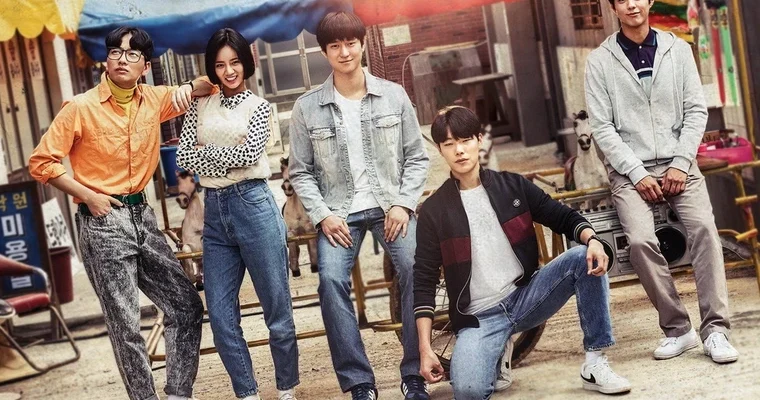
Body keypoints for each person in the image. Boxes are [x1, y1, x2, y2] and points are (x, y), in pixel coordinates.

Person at [29, 26, 215, 400]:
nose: (122, 59)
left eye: (132, 54)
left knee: (186, 306)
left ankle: (178, 393)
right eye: (115, 51)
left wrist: (193, 85)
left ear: (145, 66)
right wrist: (89, 196)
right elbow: (42, 161)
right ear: (106, 59)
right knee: (126, 325)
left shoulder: (154, 99)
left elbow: (205, 85)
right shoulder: (80, 107)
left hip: (142, 217)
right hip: (102, 222)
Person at [414, 106, 632, 399]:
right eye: (449, 144)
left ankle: (595, 362)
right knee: (467, 392)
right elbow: (424, 280)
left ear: (479, 140)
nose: (459, 151)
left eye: (465, 140)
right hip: (479, 317)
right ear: (441, 150)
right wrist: (425, 349)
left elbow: (562, 216)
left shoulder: (513, 186)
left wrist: (592, 239)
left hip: (526, 297)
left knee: (583, 256)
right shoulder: (434, 210)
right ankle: (497, 348)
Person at [585, 0, 738, 363]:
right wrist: (636, 173)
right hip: (629, 170)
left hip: (678, 163)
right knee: (640, 242)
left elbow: (696, 110)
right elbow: (602, 128)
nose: (632, 4)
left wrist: (682, 162)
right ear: (614, 8)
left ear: (650, 0)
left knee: (705, 231)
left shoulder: (678, 50)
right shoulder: (599, 61)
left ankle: (716, 330)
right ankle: (678, 329)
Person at [288, 11, 430, 400]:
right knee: (331, 281)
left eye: (351, 43)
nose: (344, 52)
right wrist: (323, 215)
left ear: (363, 44)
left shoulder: (393, 95)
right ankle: (359, 383)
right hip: (338, 213)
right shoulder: (307, 107)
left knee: (415, 267)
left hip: (390, 208)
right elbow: (300, 172)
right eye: (334, 45)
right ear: (324, 52)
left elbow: (417, 158)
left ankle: (414, 373)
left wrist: (403, 204)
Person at [176, 28, 298, 400]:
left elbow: (249, 156)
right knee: (221, 315)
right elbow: (185, 157)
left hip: (254, 206)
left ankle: (287, 389)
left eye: (234, 63)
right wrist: (224, 157)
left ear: (246, 62)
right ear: (211, 68)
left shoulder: (259, 107)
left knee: (277, 309)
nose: (229, 71)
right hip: (214, 213)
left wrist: (208, 153)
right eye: (220, 65)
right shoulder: (199, 105)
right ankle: (247, 393)